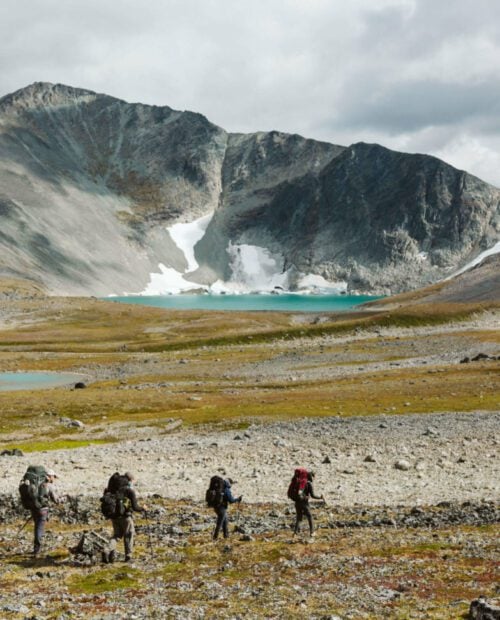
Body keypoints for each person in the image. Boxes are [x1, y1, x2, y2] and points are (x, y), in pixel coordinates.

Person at [103, 472, 147, 563]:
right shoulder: (129, 490)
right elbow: (135, 507)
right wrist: (143, 508)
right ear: (130, 480)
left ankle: (107, 549)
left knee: (117, 535)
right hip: (126, 517)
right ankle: (128, 556)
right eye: (133, 481)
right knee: (129, 534)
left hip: (114, 516)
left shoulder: (112, 488)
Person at [31, 469, 60, 557]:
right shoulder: (49, 486)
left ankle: (36, 548)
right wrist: (62, 499)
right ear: (50, 476)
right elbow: (56, 500)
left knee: (37, 527)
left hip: (34, 508)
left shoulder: (37, 483)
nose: (54, 479)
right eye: (54, 476)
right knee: (39, 528)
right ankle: (37, 550)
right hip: (43, 510)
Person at [293, 471, 324, 537]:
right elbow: (313, 495)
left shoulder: (300, 482)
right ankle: (312, 532)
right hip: (304, 503)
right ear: (311, 477)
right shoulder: (309, 484)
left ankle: (295, 533)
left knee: (299, 518)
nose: (314, 479)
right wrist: (320, 497)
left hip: (297, 502)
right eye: (314, 477)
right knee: (310, 517)